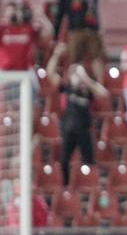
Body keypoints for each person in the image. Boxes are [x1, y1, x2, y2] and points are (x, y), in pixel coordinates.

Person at [46, 44, 108, 186]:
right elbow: (50, 73)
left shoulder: (88, 91)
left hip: (84, 129)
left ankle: (90, 185)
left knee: (89, 161)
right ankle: (66, 186)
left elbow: (104, 93)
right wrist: (56, 55)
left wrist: (86, 79)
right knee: (64, 161)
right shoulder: (68, 88)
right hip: (68, 129)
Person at [54, 0, 113, 77]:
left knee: (96, 57)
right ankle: (75, 84)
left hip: (92, 29)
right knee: (75, 59)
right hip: (75, 29)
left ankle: (99, 85)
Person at [0, 1, 49, 72]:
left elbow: (48, 36)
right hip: (3, 70)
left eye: (14, 11)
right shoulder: (0, 29)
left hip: (24, 71)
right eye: (9, 12)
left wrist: (42, 17)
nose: (12, 14)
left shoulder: (29, 28)